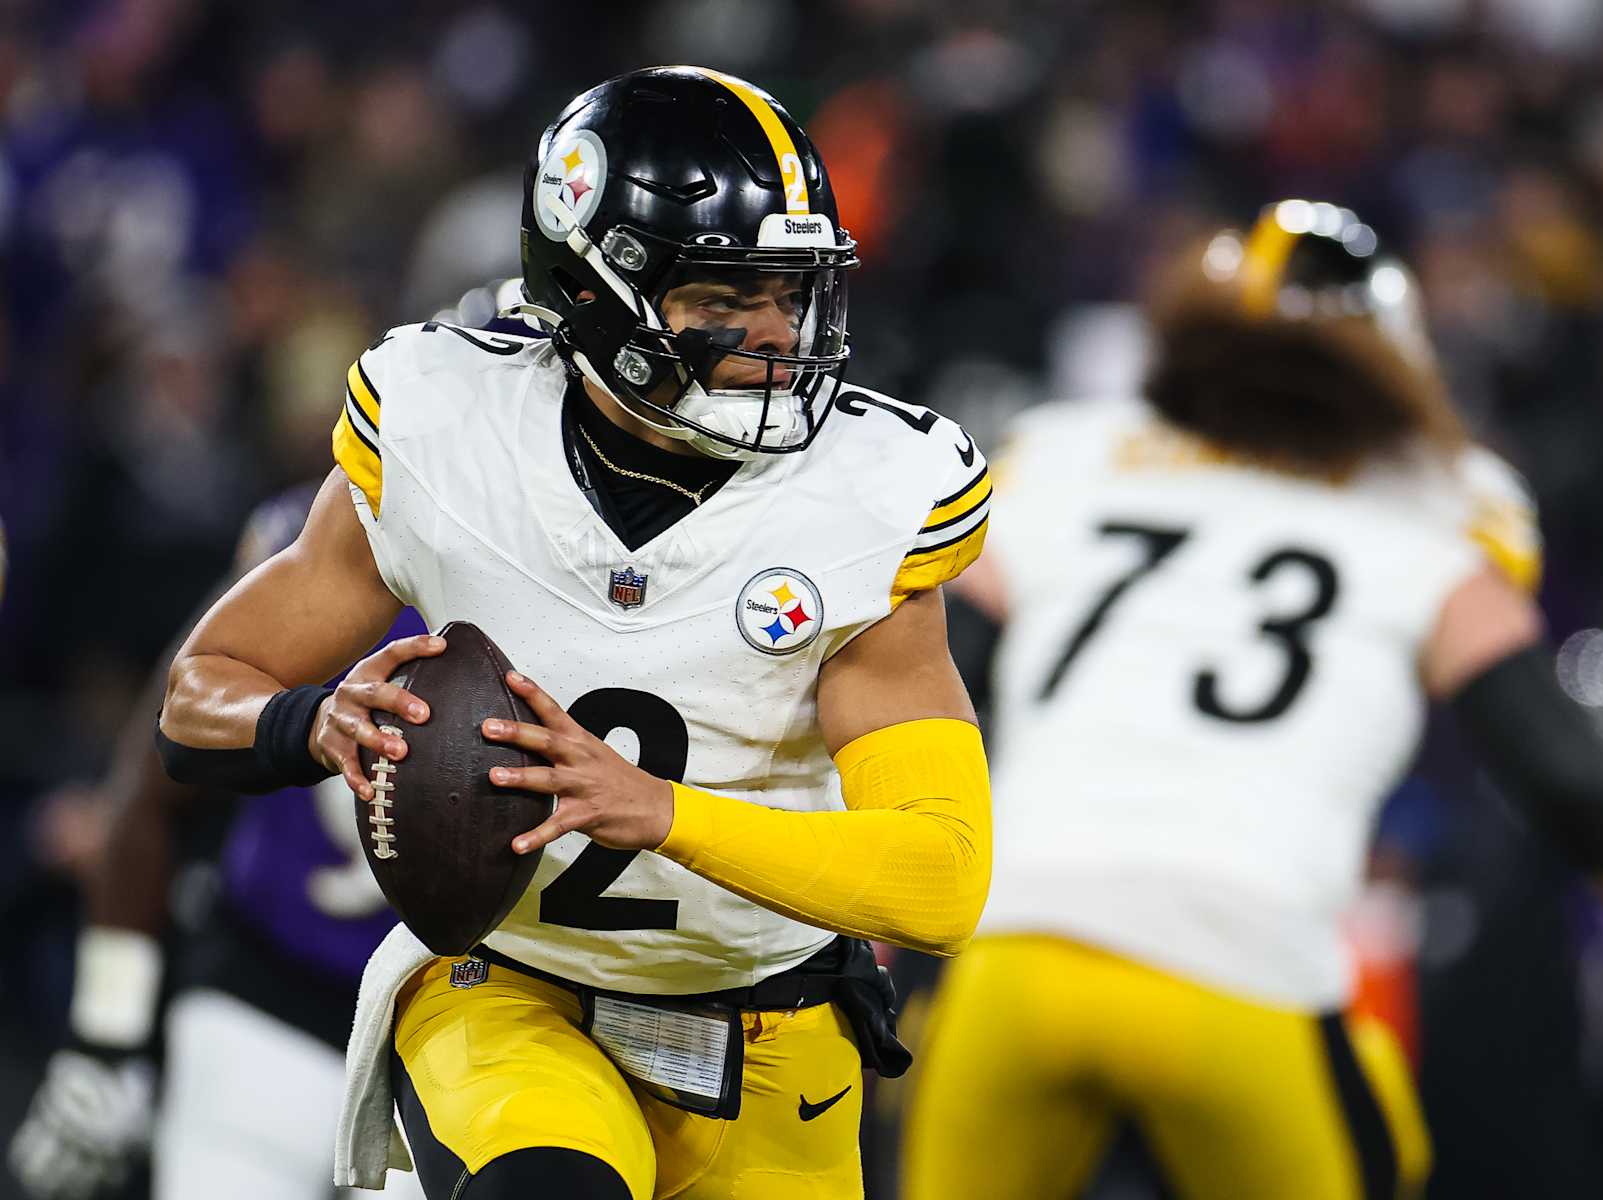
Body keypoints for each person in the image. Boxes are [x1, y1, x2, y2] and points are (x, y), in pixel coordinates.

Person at [156, 66, 993, 1200]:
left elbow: (940, 878)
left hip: (769, 1029)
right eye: (724, 299)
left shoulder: (868, 495)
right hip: (514, 993)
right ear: (596, 292)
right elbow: (202, 685)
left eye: (791, 294)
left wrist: (661, 812)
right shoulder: (449, 427)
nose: (775, 336)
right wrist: (310, 719)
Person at [900, 200, 1603, 1199]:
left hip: (1014, 952)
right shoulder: (1443, 503)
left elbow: (923, 673)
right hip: (1239, 964)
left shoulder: (1071, 452)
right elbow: (1565, 773)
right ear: (1390, 364)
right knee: (1379, 1127)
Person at [9, 482, 428, 1200]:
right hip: (272, 997)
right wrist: (107, 1042)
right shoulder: (333, 531)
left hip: (461, 1030)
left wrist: (107, 1040)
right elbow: (148, 790)